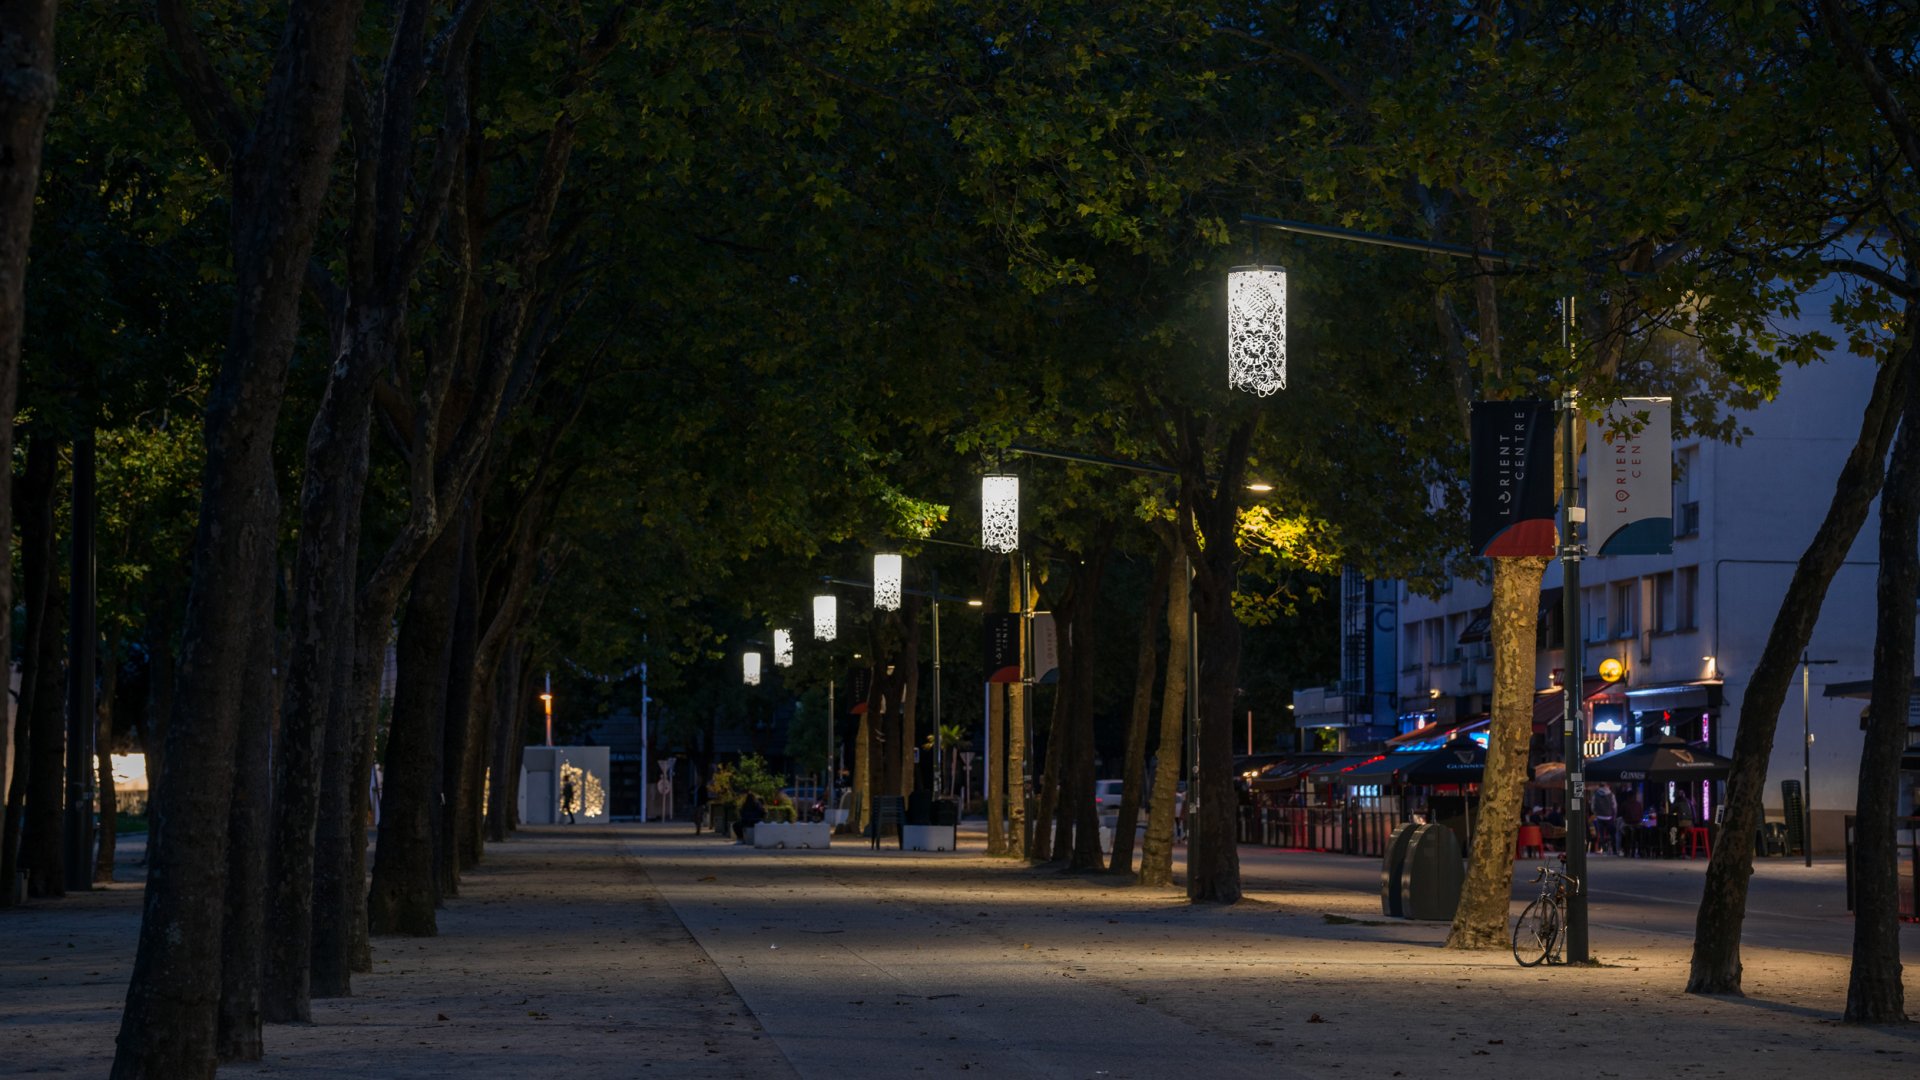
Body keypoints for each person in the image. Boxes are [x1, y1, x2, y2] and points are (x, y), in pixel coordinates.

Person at [1589, 782, 1619, 854]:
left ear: (1599, 786)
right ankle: (1614, 849)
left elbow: (1592, 807)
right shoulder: (1611, 794)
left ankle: (1604, 849)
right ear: (1606, 786)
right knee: (1612, 834)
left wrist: (1596, 813)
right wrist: (1614, 815)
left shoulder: (1595, 795)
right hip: (1609, 817)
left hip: (1599, 817)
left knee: (1601, 834)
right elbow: (1614, 806)